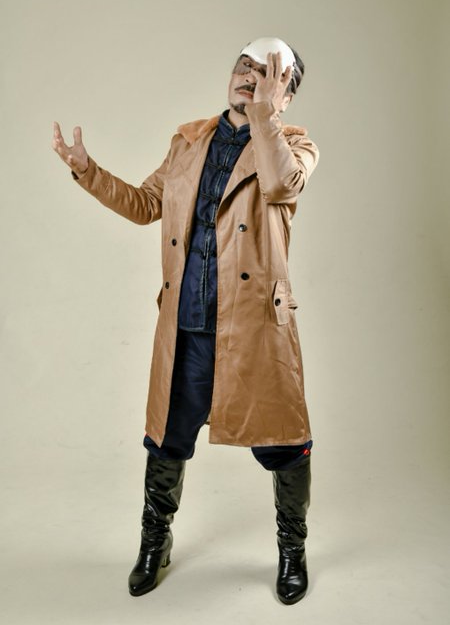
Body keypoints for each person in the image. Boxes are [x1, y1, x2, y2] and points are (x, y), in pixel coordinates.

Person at [52, 37, 320, 605]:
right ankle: (155, 543)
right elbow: (146, 204)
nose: (249, 77)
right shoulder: (189, 140)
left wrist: (265, 117)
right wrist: (88, 172)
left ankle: (292, 550)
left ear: (285, 95)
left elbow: (280, 184)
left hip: (254, 330)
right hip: (187, 324)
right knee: (165, 442)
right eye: (244, 66)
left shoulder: (294, 145)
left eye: (267, 73)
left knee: (285, 445)